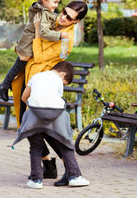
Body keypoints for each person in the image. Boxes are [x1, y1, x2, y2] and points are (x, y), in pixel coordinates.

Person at [11, 0, 88, 186]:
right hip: (31, 78)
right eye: (63, 11)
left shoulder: (65, 39)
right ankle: (50, 165)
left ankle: (69, 170)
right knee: (30, 127)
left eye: (69, 17)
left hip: (38, 85)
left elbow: (38, 55)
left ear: (75, 22)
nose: (63, 17)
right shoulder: (54, 23)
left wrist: (38, 30)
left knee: (40, 129)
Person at [12, 61, 90, 189]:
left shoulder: (36, 76)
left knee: (36, 147)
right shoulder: (57, 81)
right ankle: (75, 177)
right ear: (63, 74)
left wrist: (34, 108)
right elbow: (53, 102)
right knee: (65, 144)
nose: (63, 83)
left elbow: (24, 97)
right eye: (65, 81)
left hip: (35, 114)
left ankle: (36, 181)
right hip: (55, 113)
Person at [0, 0, 66, 102]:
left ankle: (10, 84)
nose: (56, 5)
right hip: (28, 43)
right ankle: (4, 84)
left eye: (58, 2)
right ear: (44, 0)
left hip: (28, 42)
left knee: (21, 66)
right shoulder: (43, 13)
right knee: (20, 64)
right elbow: (43, 32)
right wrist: (59, 35)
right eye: (54, 2)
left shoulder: (42, 11)